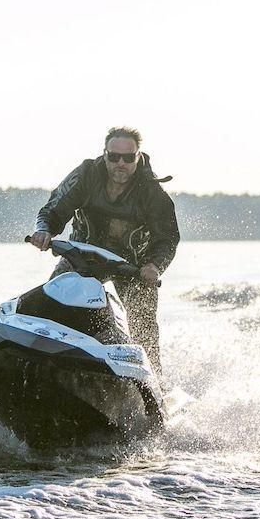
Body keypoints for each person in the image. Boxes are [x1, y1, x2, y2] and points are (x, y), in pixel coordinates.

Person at [28, 126, 179, 370]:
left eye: (128, 158)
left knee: (144, 327)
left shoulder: (152, 192)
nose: (121, 163)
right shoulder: (87, 174)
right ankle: (37, 359)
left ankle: (153, 386)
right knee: (52, 301)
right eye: (114, 157)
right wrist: (44, 230)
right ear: (104, 154)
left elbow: (167, 238)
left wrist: (154, 266)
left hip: (133, 267)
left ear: (138, 157)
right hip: (82, 258)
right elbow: (53, 210)